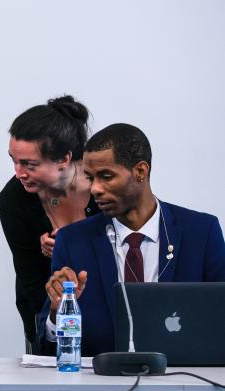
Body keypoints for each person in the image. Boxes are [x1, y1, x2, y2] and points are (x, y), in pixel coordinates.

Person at [41, 123, 225, 356]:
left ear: (140, 171)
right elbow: (46, 348)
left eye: (106, 176)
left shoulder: (201, 233)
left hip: (183, 382)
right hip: (98, 386)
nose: (95, 189)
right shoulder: (73, 241)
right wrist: (58, 313)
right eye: (90, 178)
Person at [0, 95, 100, 349]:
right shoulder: (13, 198)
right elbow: (31, 281)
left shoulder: (103, 189)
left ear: (64, 159)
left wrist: (70, 250)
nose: (18, 172)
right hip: (45, 316)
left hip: (104, 308)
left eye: (29, 164)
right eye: (13, 159)